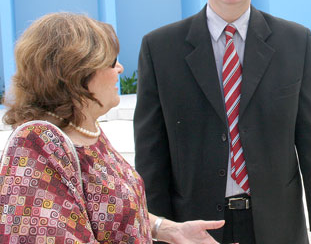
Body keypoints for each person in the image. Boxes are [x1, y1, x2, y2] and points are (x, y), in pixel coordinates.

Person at [133, 0, 311, 244]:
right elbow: (150, 152)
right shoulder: (160, 48)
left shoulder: (294, 42)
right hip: (194, 227)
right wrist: (158, 229)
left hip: (277, 225)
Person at [0, 12, 224, 243]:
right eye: (110, 61)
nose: (120, 68)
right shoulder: (37, 141)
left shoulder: (86, 130)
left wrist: (169, 230)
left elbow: (110, 214)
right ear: (76, 71)